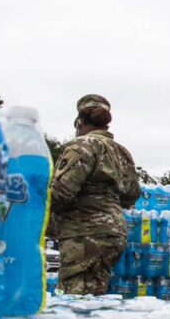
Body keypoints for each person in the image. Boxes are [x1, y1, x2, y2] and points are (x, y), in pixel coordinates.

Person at [50, 94, 140, 295]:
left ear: (79, 122)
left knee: (75, 299)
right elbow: (132, 194)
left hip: (84, 234)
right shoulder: (121, 151)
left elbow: (61, 191)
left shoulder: (82, 145)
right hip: (114, 232)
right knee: (94, 295)